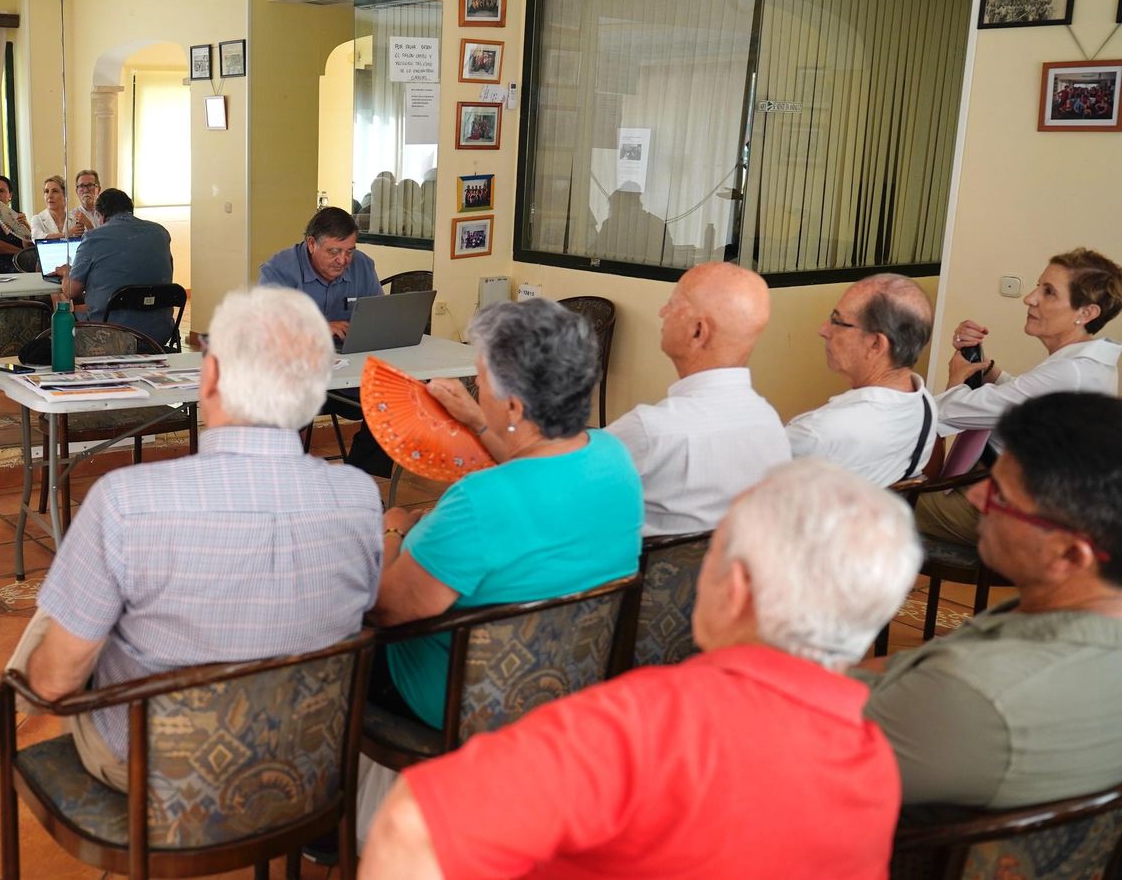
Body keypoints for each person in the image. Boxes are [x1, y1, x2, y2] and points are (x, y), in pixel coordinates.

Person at [361, 459, 920, 880]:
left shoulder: (645, 723)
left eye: (715, 552)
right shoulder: (877, 763)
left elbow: (412, 827)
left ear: (738, 590)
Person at [0, 286, 381, 788]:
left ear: (212, 378)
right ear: (317, 390)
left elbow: (55, 684)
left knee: (85, 601)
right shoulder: (360, 499)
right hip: (304, 762)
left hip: (158, 770)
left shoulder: (125, 502)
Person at [371, 298, 643, 729]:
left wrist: (393, 529)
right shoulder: (615, 458)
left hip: (460, 702)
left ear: (514, 406)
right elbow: (533, 465)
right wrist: (479, 423)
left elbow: (386, 608)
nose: (477, 390)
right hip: (573, 685)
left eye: (480, 381)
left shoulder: (479, 501)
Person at [859, 392, 1122, 810]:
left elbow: (792, 763)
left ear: (1069, 554)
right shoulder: (1068, 615)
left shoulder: (973, 695)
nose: (975, 497)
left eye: (999, 494)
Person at [917, 249, 1121, 545]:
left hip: (1010, 513)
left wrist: (955, 380)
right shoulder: (1084, 365)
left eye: (1048, 292)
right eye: (1038, 286)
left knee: (875, 494)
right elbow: (1028, 399)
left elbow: (945, 413)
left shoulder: (1068, 374)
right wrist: (987, 369)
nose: (1030, 298)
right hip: (1018, 495)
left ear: (1085, 313)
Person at [607, 262, 789, 536]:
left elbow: (554, 485)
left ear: (697, 332)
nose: (662, 312)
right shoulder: (771, 424)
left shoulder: (650, 430)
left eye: (673, 304)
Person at [257, 206, 393, 476]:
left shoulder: (363, 266)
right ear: (311, 244)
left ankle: (357, 483)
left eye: (349, 251)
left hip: (348, 378)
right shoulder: (279, 269)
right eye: (334, 251)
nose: (343, 260)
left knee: (394, 399)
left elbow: (379, 318)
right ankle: (289, 486)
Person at [786, 273, 938, 486]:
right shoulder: (924, 404)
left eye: (837, 321)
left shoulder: (819, 432)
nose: (824, 330)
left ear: (876, 344)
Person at [60, 188, 175, 345]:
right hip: (158, 334)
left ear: (100, 216)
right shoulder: (161, 233)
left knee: (66, 315)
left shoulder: (94, 238)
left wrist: (66, 272)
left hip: (110, 333)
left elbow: (70, 291)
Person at [29, 174, 77, 239]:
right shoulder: (37, 219)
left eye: (55, 191)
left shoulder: (75, 219)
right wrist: (67, 234)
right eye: (46, 192)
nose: (49, 196)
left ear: (65, 195)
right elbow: (37, 238)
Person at [71, 169, 102, 234]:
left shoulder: (107, 214)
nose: (85, 190)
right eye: (81, 186)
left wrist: (88, 224)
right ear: (77, 191)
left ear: (98, 189)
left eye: (90, 185)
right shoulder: (71, 216)